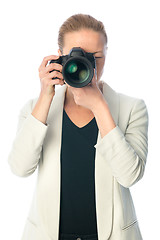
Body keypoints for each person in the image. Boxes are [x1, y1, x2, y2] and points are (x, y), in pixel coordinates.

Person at [8, 14, 148, 240]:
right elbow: (20, 168)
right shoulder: (35, 108)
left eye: (96, 57)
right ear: (59, 56)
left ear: (106, 55)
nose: (88, 65)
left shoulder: (132, 108)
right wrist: (46, 96)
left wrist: (100, 107)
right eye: (77, 56)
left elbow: (130, 176)